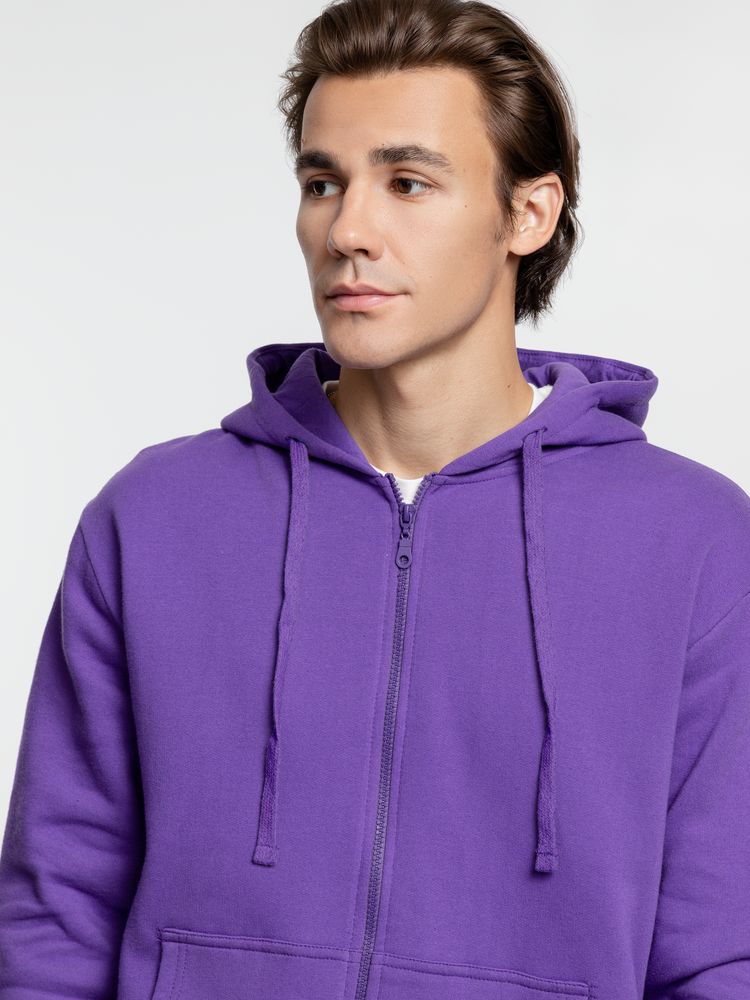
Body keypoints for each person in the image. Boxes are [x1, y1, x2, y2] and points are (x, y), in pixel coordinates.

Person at [1, 0, 749, 997]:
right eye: (323, 183)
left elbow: (721, 949)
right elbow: (54, 917)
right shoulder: (153, 519)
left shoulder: (693, 543)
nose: (348, 230)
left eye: (407, 182)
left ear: (528, 213)